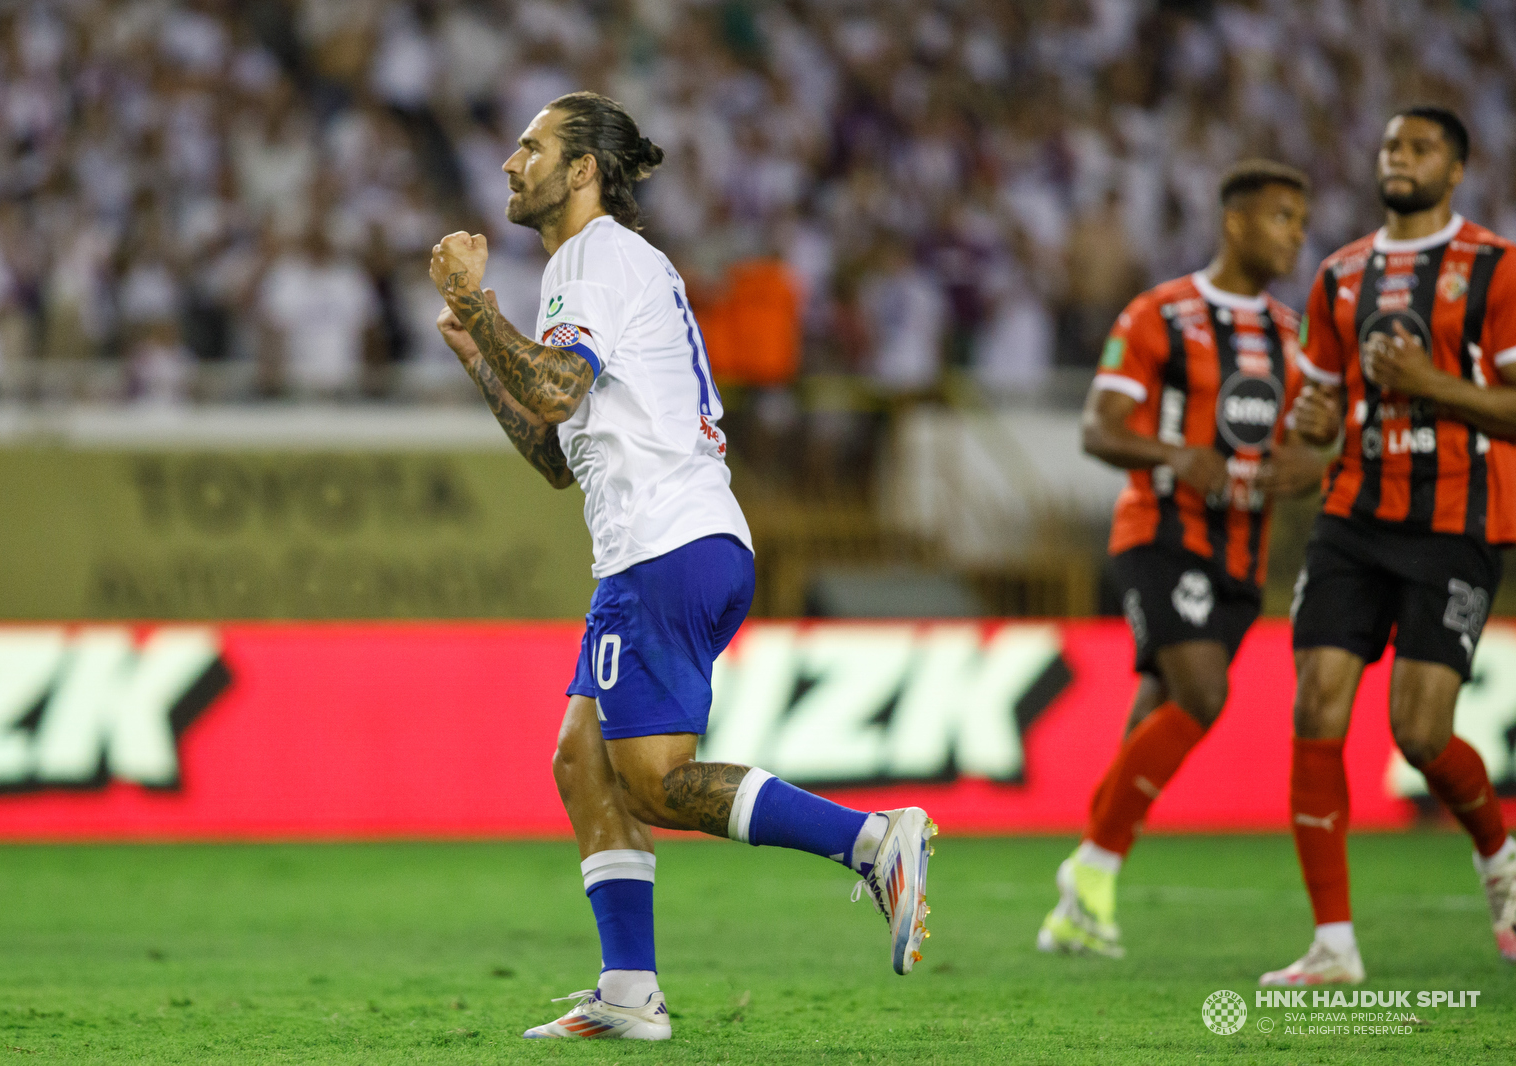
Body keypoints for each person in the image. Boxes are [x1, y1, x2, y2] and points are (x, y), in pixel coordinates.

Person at [427, 92, 935, 1042]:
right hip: (665, 543)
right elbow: (554, 451)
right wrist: (480, 357)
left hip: (664, 545)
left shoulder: (595, 257)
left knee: (656, 781)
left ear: (582, 171)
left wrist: (471, 303)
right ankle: (629, 996)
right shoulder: (601, 270)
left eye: (531, 146)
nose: (510, 162)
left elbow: (550, 386)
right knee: (583, 760)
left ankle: (872, 842)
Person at [1039, 160, 1332, 958]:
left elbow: (1314, 440)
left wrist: (1314, 463)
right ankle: (1090, 874)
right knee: (1203, 695)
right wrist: (1174, 455)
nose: (1296, 236)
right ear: (1235, 222)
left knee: (1157, 714)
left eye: (1302, 223)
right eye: (1282, 218)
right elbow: (1098, 429)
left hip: (1242, 551)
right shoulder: (1160, 314)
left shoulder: (1292, 336)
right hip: (1161, 536)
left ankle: (1082, 893)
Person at [1261, 107, 1516, 986]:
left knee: (1419, 729)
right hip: (1354, 518)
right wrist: (1313, 422)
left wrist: (1427, 383)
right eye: (1391, 147)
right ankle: (1333, 945)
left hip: (1459, 518)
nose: (1399, 159)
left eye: (1421, 149)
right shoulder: (1338, 275)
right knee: (1315, 706)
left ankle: (1499, 851)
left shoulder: (1496, 268)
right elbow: (1319, 408)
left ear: (1456, 172)